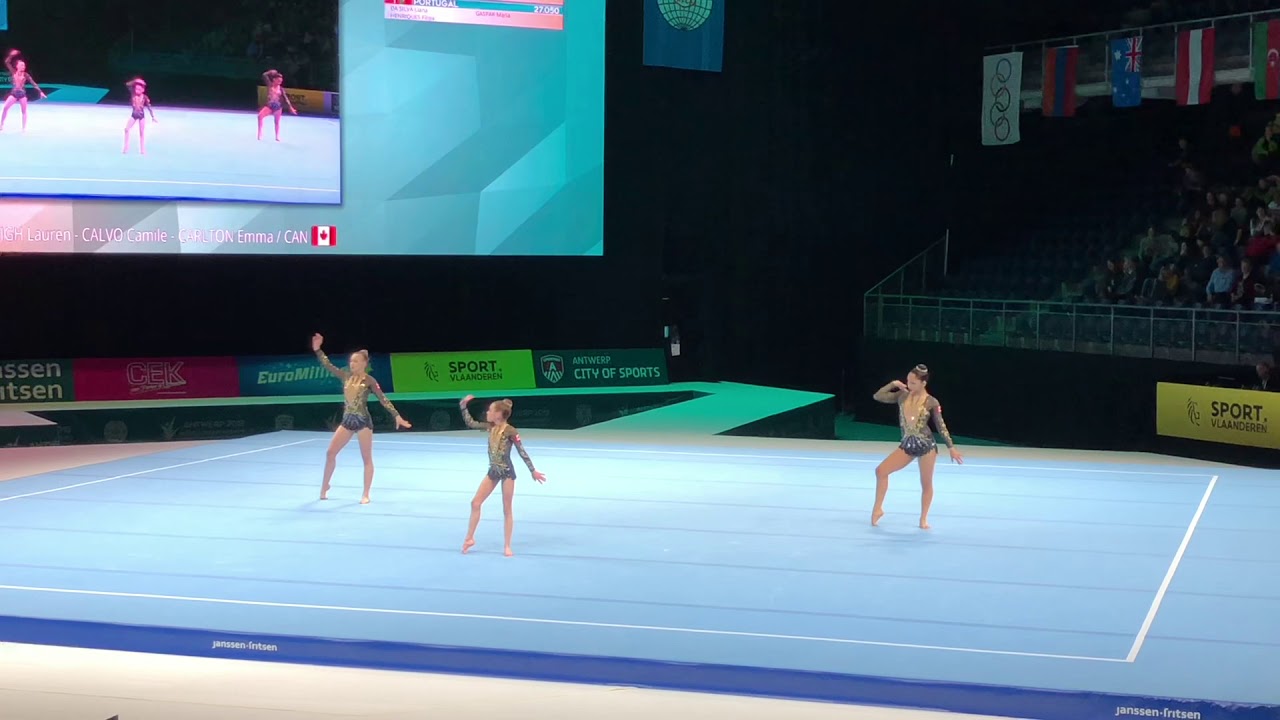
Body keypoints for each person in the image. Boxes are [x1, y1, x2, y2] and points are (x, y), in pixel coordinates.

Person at [312, 333, 411, 504]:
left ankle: (366, 493)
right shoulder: (345, 376)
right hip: (347, 421)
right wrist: (318, 350)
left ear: (364, 364)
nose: (352, 363)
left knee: (366, 458)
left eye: (356, 361)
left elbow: (383, 399)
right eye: (351, 361)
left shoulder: (370, 380)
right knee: (330, 453)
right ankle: (325, 486)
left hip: (363, 422)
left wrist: (397, 416)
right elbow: (328, 365)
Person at [870, 364, 963, 529]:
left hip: (926, 446)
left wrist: (951, 447)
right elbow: (878, 396)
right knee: (881, 471)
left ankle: (923, 518)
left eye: (913, 383)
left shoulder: (931, 402)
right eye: (907, 381)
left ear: (923, 383)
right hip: (907, 445)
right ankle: (878, 509)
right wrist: (893, 384)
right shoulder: (902, 396)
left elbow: (941, 426)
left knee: (926, 484)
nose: (908, 385)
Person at [459, 394, 546, 557]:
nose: (487, 412)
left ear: (498, 414)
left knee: (507, 509)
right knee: (475, 503)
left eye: (490, 410)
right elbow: (470, 423)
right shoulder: (490, 427)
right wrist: (463, 405)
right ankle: (469, 538)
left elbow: (522, 451)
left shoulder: (510, 431)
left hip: (506, 473)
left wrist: (532, 470)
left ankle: (507, 545)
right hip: (493, 471)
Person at [1, 50, 46, 132]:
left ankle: (24, 128)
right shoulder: (13, 72)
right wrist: (11, 55)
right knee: (5, 108)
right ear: (17, 66)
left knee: (24, 111)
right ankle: (1, 125)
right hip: (13, 94)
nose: (23, 66)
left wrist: (40, 91)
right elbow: (7, 62)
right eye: (21, 65)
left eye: (24, 65)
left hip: (22, 95)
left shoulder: (26, 75)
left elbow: (33, 83)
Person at [258, 69, 297, 141]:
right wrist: (270, 72)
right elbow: (264, 75)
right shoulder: (270, 85)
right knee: (259, 116)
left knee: (276, 122)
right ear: (274, 79)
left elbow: (286, 99)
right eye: (278, 80)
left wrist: (291, 108)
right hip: (269, 105)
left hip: (278, 106)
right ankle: (260, 133)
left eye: (281, 81)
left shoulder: (281, 89)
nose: (280, 82)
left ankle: (277, 136)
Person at [123, 78, 157, 155]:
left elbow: (149, 107)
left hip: (141, 115)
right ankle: (126, 147)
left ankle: (142, 149)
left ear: (143, 90)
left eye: (139, 89)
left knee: (141, 133)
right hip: (134, 115)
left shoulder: (144, 97)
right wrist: (135, 81)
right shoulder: (133, 94)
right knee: (126, 129)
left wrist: (153, 116)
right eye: (136, 88)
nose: (136, 90)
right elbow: (127, 85)